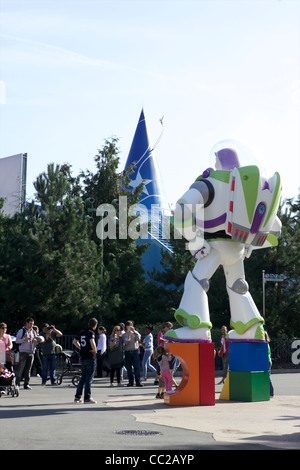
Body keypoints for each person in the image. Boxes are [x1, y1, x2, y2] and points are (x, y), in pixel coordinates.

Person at [73, 317, 98, 404]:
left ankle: (77, 397)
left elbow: (74, 341)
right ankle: (87, 397)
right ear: (95, 325)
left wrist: (80, 347)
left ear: (88, 324)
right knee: (89, 378)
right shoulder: (91, 332)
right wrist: (95, 350)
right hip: (90, 357)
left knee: (83, 377)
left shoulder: (81, 332)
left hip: (83, 357)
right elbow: (92, 341)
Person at [15, 318, 44, 390]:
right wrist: (23, 340)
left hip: (31, 351)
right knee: (20, 368)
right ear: (27, 323)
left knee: (28, 369)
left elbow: (36, 340)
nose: (31, 325)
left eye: (32, 324)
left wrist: (36, 341)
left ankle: (26, 383)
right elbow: (17, 341)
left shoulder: (33, 331)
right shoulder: (22, 331)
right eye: (30, 323)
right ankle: (17, 383)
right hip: (23, 351)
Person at [123, 320, 143, 387]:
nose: (129, 327)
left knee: (136, 367)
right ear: (126, 327)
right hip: (128, 352)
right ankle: (130, 382)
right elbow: (126, 343)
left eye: (131, 325)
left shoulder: (136, 333)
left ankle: (138, 381)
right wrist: (128, 336)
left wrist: (134, 332)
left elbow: (138, 339)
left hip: (135, 351)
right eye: (128, 325)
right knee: (129, 368)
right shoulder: (124, 334)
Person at [265, 331, 274, 397]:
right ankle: (269, 392)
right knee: (267, 377)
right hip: (268, 361)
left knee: (267, 377)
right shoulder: (266, 344)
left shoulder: (264, 344)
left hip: (267, 361)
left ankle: (271, 393)